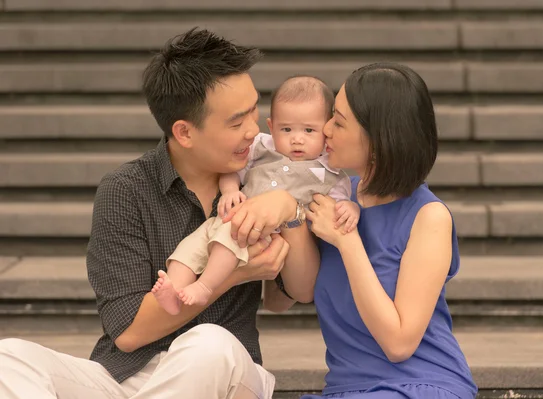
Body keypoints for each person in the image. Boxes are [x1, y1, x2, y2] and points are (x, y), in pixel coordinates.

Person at [0, 28, 319, 399]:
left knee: (209, 345)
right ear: (184, 132)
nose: (253, 130)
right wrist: (231, 277)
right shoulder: (126, 189)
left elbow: (294, 294)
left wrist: (291, 208)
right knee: (9, 357)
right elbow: (129, 332)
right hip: (127, 379)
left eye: (253, 111)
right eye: (236, 122)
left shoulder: (264, 176)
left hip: (226, 371)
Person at [301, 63, 478, 398]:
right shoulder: (334, 196)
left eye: (338, 122)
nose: (324, 129)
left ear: (379, 141)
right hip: (345, 389)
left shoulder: (429, 217)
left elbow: (399, 343)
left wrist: (347, 241)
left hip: (419, 385)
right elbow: (290, 295)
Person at [152, 75, 360, 314]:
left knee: (226, 244)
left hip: (258, 233)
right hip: (228, 218)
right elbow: (233, 171)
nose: (297, 138)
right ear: (271, 127)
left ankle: (204, 286)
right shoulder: (261, 147)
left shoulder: (330, 174)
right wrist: (229, 190)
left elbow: (341, 204)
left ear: (326, 130)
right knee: (190, 247)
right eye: (287, 129)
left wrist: (351, 208)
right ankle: (173, 289)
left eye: (309, 130)